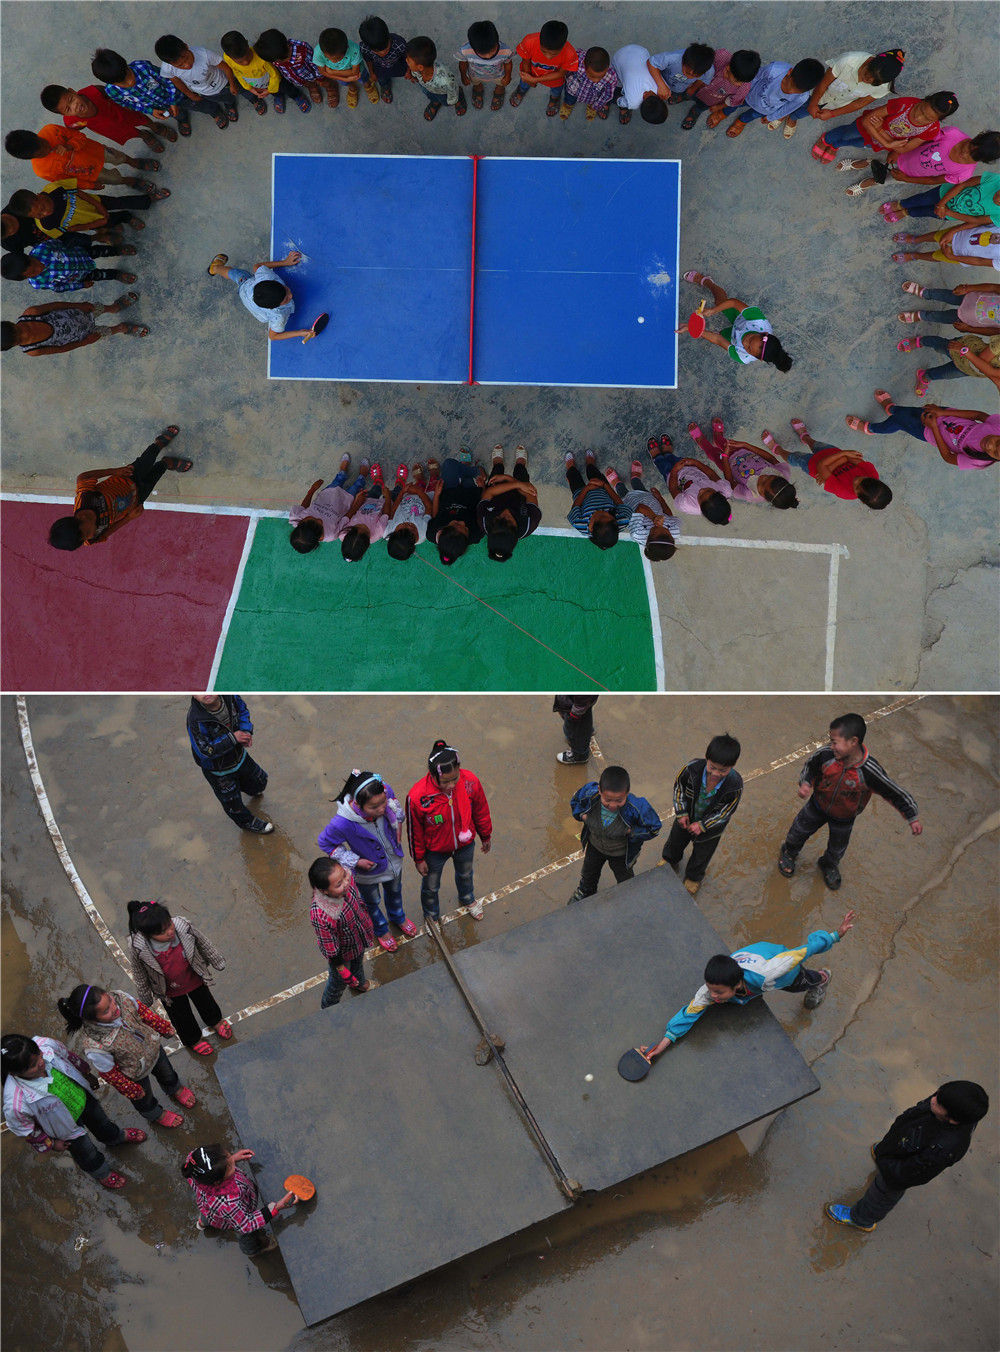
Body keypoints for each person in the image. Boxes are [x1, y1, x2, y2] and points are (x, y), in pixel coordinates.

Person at [641, 909, 857, 1058]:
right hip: (754, 960)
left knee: (804, 981)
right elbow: (691, 1011)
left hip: (780, 966)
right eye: (711, 990)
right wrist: (664, 1042)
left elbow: (803, 951)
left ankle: (822, 979)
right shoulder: (713, 987)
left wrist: (835, 935)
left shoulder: (771, 972)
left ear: (736, 984)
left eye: (718, 992)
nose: (712, 996)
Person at [777, 712, 921, 890]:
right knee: (799, 830)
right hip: (817, 804)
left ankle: (829, 864)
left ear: (853, 742)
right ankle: (789, 852)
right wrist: (806, 783)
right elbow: (811, 766)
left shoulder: (870, 771)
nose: (831, 746)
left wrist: (912, 816)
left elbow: (893, 792)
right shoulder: (826, 755)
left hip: (845, 816)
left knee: (838, 846)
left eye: (835, 742)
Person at [826, 1081, 990, 1232]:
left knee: (881, 1195)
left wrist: (886, 1165)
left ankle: (861, 1219)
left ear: (953, 1120)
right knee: (887, 1147)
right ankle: (883, 1152)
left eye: (939, 1103)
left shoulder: (942, 1150)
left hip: (896, 1173)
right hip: (902, 1142)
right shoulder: (944, 1103)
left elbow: (906, 1175)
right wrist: (886, 1151)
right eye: (937, 1093)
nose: (933, 1100)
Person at [2, 1033, 146, 1190]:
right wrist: (51, 1143)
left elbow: (70, 1057)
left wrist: (87, 1074)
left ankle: (115, 1137)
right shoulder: (15, 1102)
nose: (41, 1063)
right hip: (65, 1129)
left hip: (84, 1100)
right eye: (33, 1065)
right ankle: (102, 1172)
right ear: (14, 1073)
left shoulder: (46, 1044)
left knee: (103, 1123)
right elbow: (26, 1129)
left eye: (39, 1055)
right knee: (86, 1152)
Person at [56, 984, 195, 1128]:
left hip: (154, 1049)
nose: (114, 1008)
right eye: (106, 1011)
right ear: (92, 1019)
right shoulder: (95, 1045)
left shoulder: (122, 998)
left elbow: (144, 1012)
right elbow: (110, 1074)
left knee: (168, 1074)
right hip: (135, 1073)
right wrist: (131, 1090)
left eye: (110, 1000)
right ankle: (156, 1114)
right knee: (144, 1098)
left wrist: (162, 1027)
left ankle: (175, 1088)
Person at [318, 770, 419, 952]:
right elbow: (326, 843)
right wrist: (356, 861)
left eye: (383, 802)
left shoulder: (385, 791)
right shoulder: (343, 823)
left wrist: (398, 823)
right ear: (358, 803)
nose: (381, 809)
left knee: (395, 892)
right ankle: (381, 929)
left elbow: (394, 805)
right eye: (374, 807)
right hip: (367, 875)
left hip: (393, 863)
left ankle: (398, 917)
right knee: (371, 903)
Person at [48, 426, 191, 551]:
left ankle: (159, 443)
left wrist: (115, 471)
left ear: (81, 518)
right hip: (135, 501)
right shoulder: (90, 539)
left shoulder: (85, 498)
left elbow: (83, 477)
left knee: (147, 459)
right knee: (154, 476)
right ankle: (166, 463)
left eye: (86, 533)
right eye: (85, 538)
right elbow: (107, 533)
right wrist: (129, 518)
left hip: (126, 476)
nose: (89, 536)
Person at [126, 900, 231, 1056]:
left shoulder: (183, 927)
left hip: (194, 978)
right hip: (169, 991)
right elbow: (139, 973)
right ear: (148, 935)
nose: (170, 932)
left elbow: (203, 942)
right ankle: (193, 1039)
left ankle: (215, 1020)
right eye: (162, 932)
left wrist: (217, 960)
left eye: (169, 925)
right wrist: (145, 997)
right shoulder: (138, 947)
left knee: (206, 1002)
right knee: (181, 1017)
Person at [405, 740, 492, 922]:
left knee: (466, 874)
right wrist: (418, 858)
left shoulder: (470, 782)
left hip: (465, 844)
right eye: (445, 781)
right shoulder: (418, 797)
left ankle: (467, 898)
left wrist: (485, 835)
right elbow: (414, 832)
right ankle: (431, 916)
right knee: (431, 886)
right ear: (432, 775)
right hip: (434, 851)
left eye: (455, 778)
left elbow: (481, 810)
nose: (451, 785)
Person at [813, 90, 958, 189]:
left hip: (876, 140)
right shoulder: (904, 104)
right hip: (865, 129)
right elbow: (866, 121)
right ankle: (826, 139)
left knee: (856, 143)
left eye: (927, 118)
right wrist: (889, 143)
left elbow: (904, 149)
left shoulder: (932, 130)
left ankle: (836, 144)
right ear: (924, 100)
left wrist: (880, 131)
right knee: (847, 134)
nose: (919, 117)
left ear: (939, 120)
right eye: (920, 110)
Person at [661, 734, 743, 895]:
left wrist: (703, 825)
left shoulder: (735, 785)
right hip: (685, 818)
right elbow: (679, 788)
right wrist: (681, 812)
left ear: (733, 766)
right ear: (707, 758)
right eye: (712, 767)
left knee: (702, 855)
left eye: (723, 770)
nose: (716, 773)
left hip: (710, 829)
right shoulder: (690, 769)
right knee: (675, 841)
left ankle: (693, 877)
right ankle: (669, 860)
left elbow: (726, 812)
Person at [183, 1144, 298, 1257]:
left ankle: (202, 1223)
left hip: (208, 1207)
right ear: (218, 1181)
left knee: (209, 1215)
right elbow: (246, 1224)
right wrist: (276, 1207)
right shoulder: (229, 1204)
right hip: (234, 1218)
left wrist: (230, 1160)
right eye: (229, 1166)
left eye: (227, 1156)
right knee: (248, 1236)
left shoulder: (195, 1169)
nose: (231, 1161)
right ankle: (253, 1250)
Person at [567, 765, 661, 902]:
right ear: (599, 790)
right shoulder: (590, 794)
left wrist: (631, 832)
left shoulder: (637, 807)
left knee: (625, 880)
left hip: (620, 854)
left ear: (627, 793)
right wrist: (582, 816)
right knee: (588, 873)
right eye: (607, 800)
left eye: (619, 800)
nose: (612, 805)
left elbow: (654, 828)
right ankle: (585, 891)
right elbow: (575, 801)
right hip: (594, 846)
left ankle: (626, 898)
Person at [846, 391, 1000, 470]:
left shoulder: (978, 462)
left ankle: (871, 428)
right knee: (912, 411)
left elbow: (948, 457)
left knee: (898, 421)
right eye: (997, 442)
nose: (989, 446)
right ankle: (892, 408)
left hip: (928, 431)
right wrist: (941, 412)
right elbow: (978, 415)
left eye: (994, 453)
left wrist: (933, 428)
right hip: (944, 414)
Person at [187, 694, 273, 835]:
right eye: (199, 690)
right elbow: (204, 751)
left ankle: (250, 788)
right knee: (233, 803)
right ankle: (247, 822)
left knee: (260, 781)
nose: (206, 693)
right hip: (218, 771)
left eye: (210, 687)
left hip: (240, 757)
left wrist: (245, 730)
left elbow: (243, 711)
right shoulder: (196, 719)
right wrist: (233, 738)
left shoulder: (231, 697)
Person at [762, 421, 891, 509]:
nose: (856, 480)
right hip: (831, 452)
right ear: (876, 480)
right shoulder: (872, 473)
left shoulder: (845, 492)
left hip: (811, 464)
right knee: (815, 444)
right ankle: (805, 437)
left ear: (861, 500)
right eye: (863, 479)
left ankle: (778, 450)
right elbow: (825, 465)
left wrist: (843, 456)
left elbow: (825, 463)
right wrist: (835, 462)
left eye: (856, 487)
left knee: (794, 458)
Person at [681, 270, 793, 371]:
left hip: (733, 336)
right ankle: (707, 281)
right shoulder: (758, 320)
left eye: (748, 348)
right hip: (741, 318)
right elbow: (733, 303)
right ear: (763, 333)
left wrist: (691, 328)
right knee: (720, 302)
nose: (745, 342)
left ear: (755, 357)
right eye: (750, 339)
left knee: (721, 334)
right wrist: (714, 310)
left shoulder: (742, 356)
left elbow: (718, 340)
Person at [688, 416, 798, 509]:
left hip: (727, 464)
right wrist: (746, 445)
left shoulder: (749, 494)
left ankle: (701, 441)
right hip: (743, 451)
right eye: (770, 476)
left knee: (713, 453)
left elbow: (730, 481)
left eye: (763, 483)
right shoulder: (784, 473)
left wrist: (725, 457)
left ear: (765, 496)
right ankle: (718, 437)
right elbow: (771, 458)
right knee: (724, 443)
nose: (763, 476)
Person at [308, 856, 375, 1007]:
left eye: (344, 876)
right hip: (341, 955)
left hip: (358, 939)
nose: (346, 883)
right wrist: (341, 968)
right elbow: (330, 947)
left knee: (358, 964)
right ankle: (328, 1007)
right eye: (339, 884)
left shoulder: (347, 879)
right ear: (324, 891)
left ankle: (359, 983)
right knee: (337, 984)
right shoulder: (321, 914)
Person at [206, 249, 316, 340]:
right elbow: (273, 336)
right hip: (245, 290)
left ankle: (215, 268)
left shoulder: (266, 277)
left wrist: (285, 262)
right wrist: (299, 333)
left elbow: (257, 266)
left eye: (286, 290)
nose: (290, 296)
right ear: (275, 307)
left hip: (246, 287)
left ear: (273, 282)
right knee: (235, 274)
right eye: (286, 299)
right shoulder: (278, 317)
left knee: (235, 274)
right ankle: (215, 268)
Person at [4, 126, 156, 190]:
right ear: (31, 157)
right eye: (41, 152)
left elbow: (79, 136)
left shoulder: (50, 130)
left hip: (96, 151)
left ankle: (134, 162)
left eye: (43, 143)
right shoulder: (41, 170)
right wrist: (89, 185)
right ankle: (129, 181)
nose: (47, 148)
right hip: (91, 174)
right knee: (114, 179)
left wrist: (70, 145)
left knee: (119, 157)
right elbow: (67, 182)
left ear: (36, 135)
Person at [41, 83, 169, 152]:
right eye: (68, 109)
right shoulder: (72, 123)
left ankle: (154, 126)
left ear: (72, 91)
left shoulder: (95, 91)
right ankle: (144, 135)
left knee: (142, 119)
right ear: (64, 115)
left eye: (71, 99)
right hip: (111, 128)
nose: (75, 106)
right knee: (131, 133)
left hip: (124, 112)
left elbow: (114, 95)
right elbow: (77, 129)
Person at [8, 183, 156, 241]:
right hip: (91, 222)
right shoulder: (46, 226)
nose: (44, 214)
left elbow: (79, 193)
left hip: (97, 202)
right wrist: (95, 224)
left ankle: (147, 200)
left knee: (119, 202)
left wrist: (99, 206)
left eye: (42, 209)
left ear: (38, 196)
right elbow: (72, 229)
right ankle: (126, 217)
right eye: (39, 215)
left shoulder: (54, 189)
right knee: (111, 221)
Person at [154, 35, 242, 131]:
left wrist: (232, 84)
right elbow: (176, 81)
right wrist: (190, 94)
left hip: (222, 83)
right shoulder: (167, 68)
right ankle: (218, 110)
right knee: (214, 98)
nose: (187, 65)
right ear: (170, 64)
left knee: (227, 97)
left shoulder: (205, 55)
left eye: (186, 58)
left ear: (186, 46)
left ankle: (229, 104)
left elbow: (226, 68)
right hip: (203, 91)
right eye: (180, 65)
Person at [1, 295, 146, 354]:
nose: (25, 333)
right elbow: (61, 348)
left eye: (19, 330)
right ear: (15, 345)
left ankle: (113, 308)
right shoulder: (33, 350)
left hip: (79, 313)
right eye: (20, 339)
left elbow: (57, 305)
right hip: (83, 336)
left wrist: (79, 305)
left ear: (13, 324)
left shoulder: (31, 313)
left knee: (97, 308)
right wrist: (84, 343)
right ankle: (120, 328)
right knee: (104, 332)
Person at [723, 56, 824, 140]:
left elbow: (787, 109)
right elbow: (755, 78)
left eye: (797, 91)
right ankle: (724, 112)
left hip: (766, 110)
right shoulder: (774, 70)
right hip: (749, 95)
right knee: (735, 102)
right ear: (789, 72)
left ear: (806, 91)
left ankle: (742, 121)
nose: (791, 92)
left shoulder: (802, 97)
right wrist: (742, 92)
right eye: (792, 85)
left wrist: (771, 117)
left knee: (752, 115)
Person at [644, 434, 733, 525]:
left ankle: (657, 458)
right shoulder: (725, 489)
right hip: (690, 467)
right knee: (673, 459)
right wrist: (696, 463)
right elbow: (711, 474)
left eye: (700, 496)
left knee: (663, 465)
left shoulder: (686, 505)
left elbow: (673, 489)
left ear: (702, 511)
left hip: (671, 476)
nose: (701, 490)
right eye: (708, 490)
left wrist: (674, 471)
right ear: (720, 494)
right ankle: (668, 454)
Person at [90, 47, 184, 132]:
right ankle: (183, 119)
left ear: (126, 65)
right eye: (121, 83)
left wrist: (173, 100)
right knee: (177, 114)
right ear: (110, 83)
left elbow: (168, 80)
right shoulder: (112, 92)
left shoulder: (143, 67)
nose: (130, 83)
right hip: (161, 108)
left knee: (188, 103)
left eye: (128, 76)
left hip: (177, 95)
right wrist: (150, 111)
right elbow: (129, 105)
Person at [0, 235, 136, 292]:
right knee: (100, 275)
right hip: (79, 276)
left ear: (28, 256)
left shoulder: (42, 248)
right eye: (33, 272)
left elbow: (59, 244)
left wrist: (74, 245)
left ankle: (117, 250)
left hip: (80, 254)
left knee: (100, 251)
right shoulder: (38, 283)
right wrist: (80, 285)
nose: (39, 268)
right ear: (25, 278)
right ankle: (116, 275)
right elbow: (59, 287)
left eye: (34, 263)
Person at [289, 456, 368, 553]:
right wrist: (357, 504)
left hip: (328, 494)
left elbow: (303, 507)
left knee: (337, 481)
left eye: (312, 518)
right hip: (345, 501)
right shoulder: (331, 534)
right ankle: (362, 476)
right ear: (319, 540)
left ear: (300, 522)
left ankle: (343, 471)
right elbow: (346, 518)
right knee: (357, 487)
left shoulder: (295, 517)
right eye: (321, 524)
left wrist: (312, 490)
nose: (319, 519)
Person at [807, 49, 904, 129]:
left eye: (874, 83)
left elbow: (859, 103)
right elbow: (823, 83)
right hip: (813, 94)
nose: (867, 80)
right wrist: (813, 103)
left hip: (832, 106)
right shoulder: (848, 60)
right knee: (802, 104)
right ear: (870, 62)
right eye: (867, 74)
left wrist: (832, 114)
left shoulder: (884, 87)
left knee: (804, 113)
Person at [477, 445, 541, 560]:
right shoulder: (529, 524)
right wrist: (514, 481)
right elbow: (531, 493)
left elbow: (489, 493)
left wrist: (507, 480)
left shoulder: (484, 520)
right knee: (521, 474)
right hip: (521, 491)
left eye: (500, 518)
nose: (506, 514)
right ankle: (520, 463)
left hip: (497, 488)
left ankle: (498, 463)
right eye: (510, 521)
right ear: (516, 533)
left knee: (496, 473)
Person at [881, 169, 1000, 227]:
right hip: (944, 194)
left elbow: (976, 220)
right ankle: (901, 204)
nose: (998, 199)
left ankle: (906, 212)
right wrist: (942, 204)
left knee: (925, 212)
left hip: (949, 214)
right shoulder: (996, 180)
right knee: (922, 199)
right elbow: (964, 184)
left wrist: (948, 212)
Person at [220, 30, 299, 115]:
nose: (246, 62)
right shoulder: (228, 59)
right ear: (229, 57)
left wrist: (269, 90)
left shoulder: (261, 56)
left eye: (247, 56)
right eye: (240, 62)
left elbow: (275, 75)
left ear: (247, 43)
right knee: (275, 93)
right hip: (262, 86)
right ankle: (278, 96)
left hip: (275, 82)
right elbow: (237, 73)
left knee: (287, 88)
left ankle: (297, 96)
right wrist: (250, 88)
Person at [901, 330, 1000, 397]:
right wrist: (993, 376)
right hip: (964, 348)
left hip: (969, 369)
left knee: (945, 374)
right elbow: (984, 359)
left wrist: (992, 374)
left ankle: (925, 376)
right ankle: (921, 341)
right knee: (941, 345)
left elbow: (993, 375)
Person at [681, 47, 760, 130]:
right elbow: (704, 64)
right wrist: (693, 87)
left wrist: (719, 107)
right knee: (687, 92)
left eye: (743, 81)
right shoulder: (720, 56)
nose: (740, 84)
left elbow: (732, 101)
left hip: (710, 100)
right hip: (697, 86)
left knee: (701, 106)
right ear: (728, 68)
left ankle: (695, 111)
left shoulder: (744, 87)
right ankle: (683, 95)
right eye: (737, 81)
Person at [510, 20, 577, 117]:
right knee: (524, 82)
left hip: (554, 79)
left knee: (556, 91)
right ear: (539, 41)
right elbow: (526, 61)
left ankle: (554, 99)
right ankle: (521, 91)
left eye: (554, 54)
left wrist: (534, 80)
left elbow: (561, 73)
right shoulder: (529, 41)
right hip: (530, 72)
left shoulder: (570, 53)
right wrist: (529, 78)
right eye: (544, 51)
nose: (548, 57)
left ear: (563, 46)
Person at [564, 451, 631, 547]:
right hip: (602, 488)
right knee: (593, 471)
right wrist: (605, 485)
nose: (601, 511)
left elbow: (576, 507)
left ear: (591, 527)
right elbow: (618, 502)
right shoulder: (623, 519)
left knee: (573, 476)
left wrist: (586, 489)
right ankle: (590, 463)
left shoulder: (578, 523)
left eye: (599, 515)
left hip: (579, 492)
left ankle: (570, 466)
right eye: (608, 514)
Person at [426, 456, 484, 564]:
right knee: (469, 480)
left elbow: (435, 516)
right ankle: (472, 470)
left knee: (449, 464)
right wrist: (482, 488)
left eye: (456, 523)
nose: (463, 523)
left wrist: (437, 495)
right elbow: (481, 508)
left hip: (448, 494)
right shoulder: (476, 535)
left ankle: (468, 469)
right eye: (466, 529)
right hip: (470, 497)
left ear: (442, 530)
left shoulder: (431, 533)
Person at [620, 461, 682, 558]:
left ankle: (617, 483)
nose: (657, 526)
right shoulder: (675, 529)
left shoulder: (637, 533)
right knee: (640, 487)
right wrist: (660, 499)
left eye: (653, 531)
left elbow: (640, 507)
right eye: (665, 530)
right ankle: (635, 478)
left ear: (648, 539)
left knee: (623, 493)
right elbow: (668, 515)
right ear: (671, 536)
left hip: (630, 503)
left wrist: (654, 517)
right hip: (650, 499)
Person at [896, 280, 1000, 334]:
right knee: (945, 295)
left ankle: (922, 316)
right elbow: (994, 287)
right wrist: (967, 288)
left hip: (968, 320)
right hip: (970, 297)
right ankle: (925, 293)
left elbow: (994, 332)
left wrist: (969, 329)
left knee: (942, 317)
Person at [253, 29, 323, 107]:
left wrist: (319, 78)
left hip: (311, 75)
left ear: (279, 59)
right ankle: (312, 87)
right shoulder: (276, 56)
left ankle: (327, 88)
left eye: (274, 61)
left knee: (322, 82)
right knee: (308, 84)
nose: (274, 63)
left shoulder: (303, 50)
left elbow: (316, 65)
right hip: (298, 79)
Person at [891, 221, 1000, 270]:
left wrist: (952, 257)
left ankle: (915, 256)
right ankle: (915, 239)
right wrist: (954, 230)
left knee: (937, 256)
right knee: (938, 235)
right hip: (960, 233)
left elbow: (980, 261)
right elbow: (980, 221)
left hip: (961, 256)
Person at [457, 19, 514, 112]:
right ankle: (478, 88)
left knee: (501, 84)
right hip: (474, 74)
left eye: (492, 50)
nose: (488, 56)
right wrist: (463, 76)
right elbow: (463, 63)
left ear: (497, 41)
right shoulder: (465, 50)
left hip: (498, 74)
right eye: (482, 53)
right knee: (476, 83)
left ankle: (499, 90)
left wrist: (508, 76)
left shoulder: (505, 51)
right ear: (472, 46)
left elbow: (508, 63)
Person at [338, 464, 393, 562]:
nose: (360, 528)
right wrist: (388, 497)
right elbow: (386, 514)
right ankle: (399, 483)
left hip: (365, 501)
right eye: (364, 531)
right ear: (367, 544)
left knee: (375, 490)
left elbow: (350, 513)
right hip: (383, 504)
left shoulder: (342, 533)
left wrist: (357, 501)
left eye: (355, 529)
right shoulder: (378, 531)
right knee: (393, 493)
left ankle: (378, 482)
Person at [405, 36, 466, 121]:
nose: (406, 61)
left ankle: (459, 97)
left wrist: (452, 101)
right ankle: (435, 101)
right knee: (430, 95)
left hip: (442, 92)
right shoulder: (417, 70)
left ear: (420, 67)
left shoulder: (446, 80)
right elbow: (415, 74)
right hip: (428, 88)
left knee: (446, 101)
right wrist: (413, 76)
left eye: (408, 60)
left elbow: (452, 90)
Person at [609, 44, 671, 125]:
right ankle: (623, 109)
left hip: (639, 50)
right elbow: (620, 101)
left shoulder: (664, 89)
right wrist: (626, 103)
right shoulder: (633, 103)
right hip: (618, 60)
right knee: (618, 91)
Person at [358, 14, 409, 105]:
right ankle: (385, 87)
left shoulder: (400, 44)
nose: (382, 53)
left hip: (398, 64)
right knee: (382, 80)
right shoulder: (364, 48)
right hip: (379, 67)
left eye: (386, 48)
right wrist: (371, 72)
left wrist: (409, 71)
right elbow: (368, 59)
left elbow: (407, 57)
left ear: (388, 36)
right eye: (377, 51)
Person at [313, 27, 367, 111]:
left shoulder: (354, 50)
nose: (333, 61)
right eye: (328, 58)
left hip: (358, 71)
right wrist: (345, 78)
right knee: (345, 83)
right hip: (342, 76)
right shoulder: (318, 53)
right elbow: (322, 72)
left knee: (364, 79)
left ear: (346, 48)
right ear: (322, 51)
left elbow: (355, 72)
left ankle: (367, 86)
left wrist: (332, 72)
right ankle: (353, 88)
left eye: (337, 58)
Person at [385, 465, 433, 560]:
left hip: (405, 496)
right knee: (431, 487)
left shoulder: (388, 530)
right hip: (424, 497)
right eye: (412, 529)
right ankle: (426, 479)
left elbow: (393, 510)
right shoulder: (423, 532)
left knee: (411, 486)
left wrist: (402, 493)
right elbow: (429, 507)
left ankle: (418, 481)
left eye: (402, 527)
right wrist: (419, 492)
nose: (408, 524)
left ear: (392, 534)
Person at [560, 46, 619, 121]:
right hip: (572, 90)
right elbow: (565, 67)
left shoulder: (611, 76)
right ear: (584, 64)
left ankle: (592, 108)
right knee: (569, 99)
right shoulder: (576, 61)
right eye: (592, 76)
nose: (596, 81)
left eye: (602, 76)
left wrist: (596, 105)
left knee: (592, 103)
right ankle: (568, 105)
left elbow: (607, 94)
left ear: (608, 67)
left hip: (593, 96)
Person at [553, 695, 599, 765]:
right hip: (577, 702)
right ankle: (586, 730)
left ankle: (579, 755)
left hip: (577, 704)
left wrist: (575, 713)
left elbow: (583, 697)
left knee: (574, 729)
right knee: (584, 716)